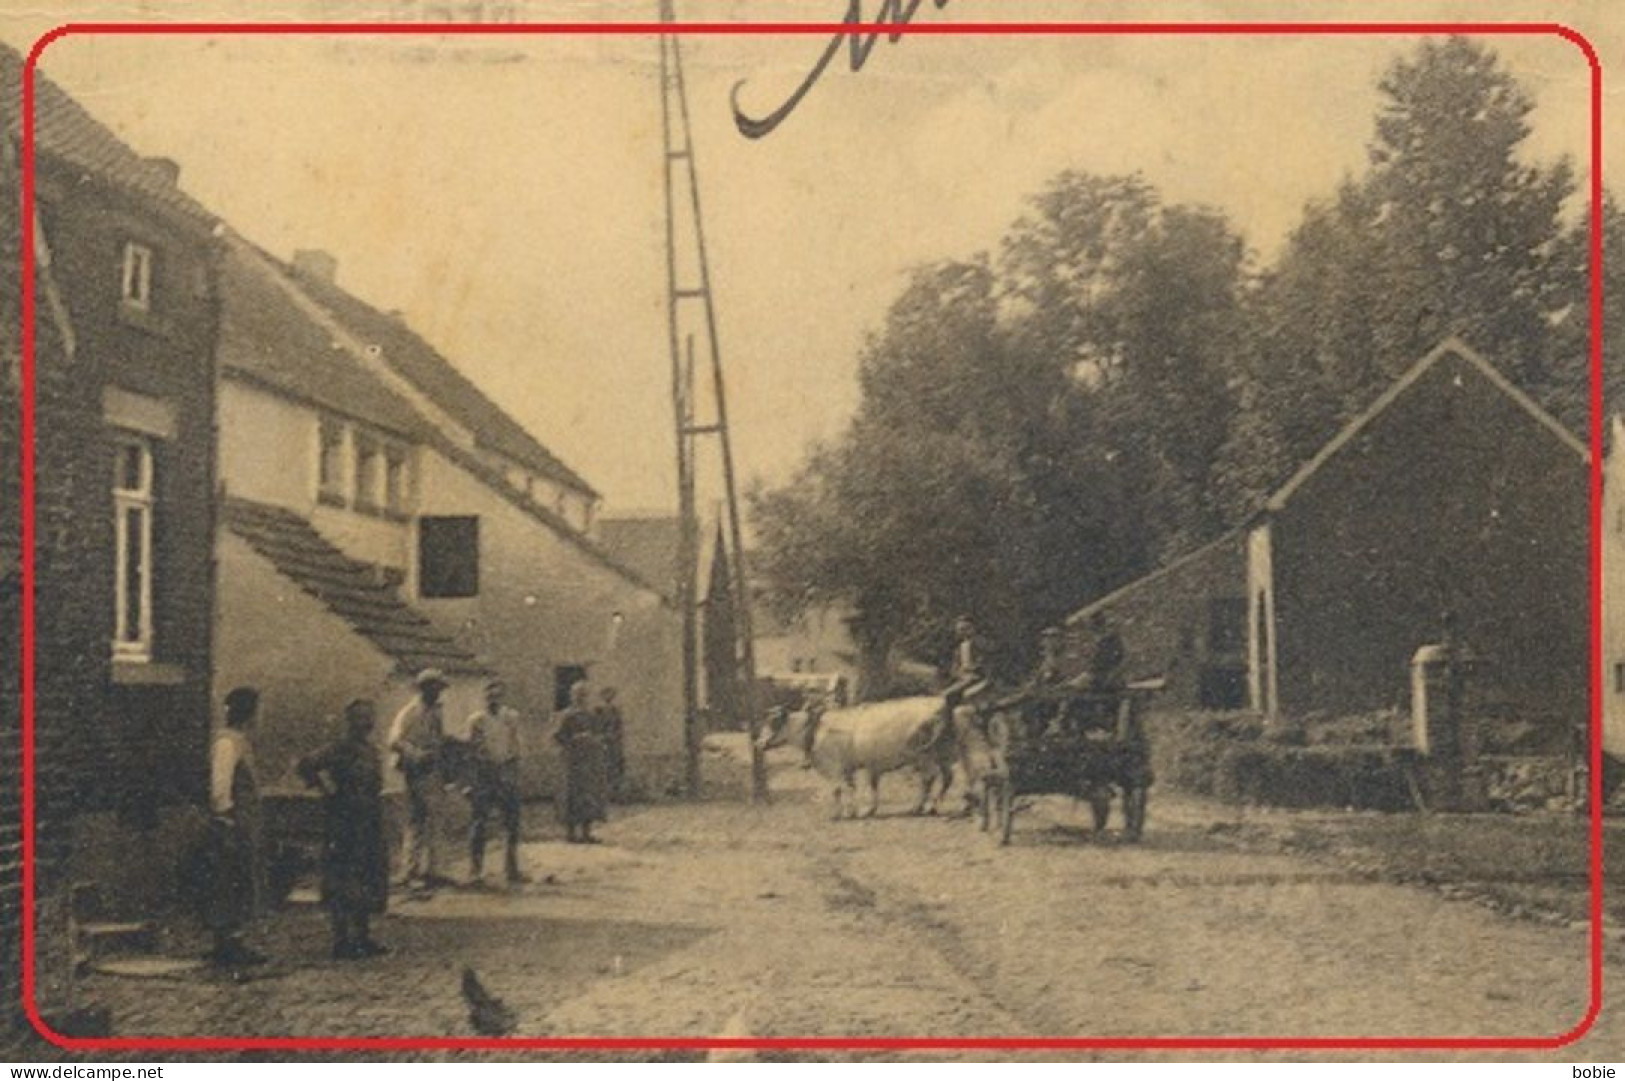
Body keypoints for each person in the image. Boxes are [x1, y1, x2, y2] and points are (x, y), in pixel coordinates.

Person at [298, 699, 390, 960]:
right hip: (344, 823)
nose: (366, 723)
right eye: (361, 718)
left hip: (368, 822)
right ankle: (341, 940)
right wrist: (327, 790)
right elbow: (306, 764)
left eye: (369, 718)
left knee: (366, 879)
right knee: (342, 880)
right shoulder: (338, 748)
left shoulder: (372, 751)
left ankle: (362, 937)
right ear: (350, 721)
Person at [203, 687, 267, 968]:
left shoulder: (240, 741)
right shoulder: (227, 743)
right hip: (233, 824)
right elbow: (220, 786)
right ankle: (227, 943)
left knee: (240, 882)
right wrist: (225, 817)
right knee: (230, 882)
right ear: (249, 713)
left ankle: (234, 941)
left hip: (244, 824)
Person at [390, 669, 450, 890]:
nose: (438, 692)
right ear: (424, 688)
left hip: (434, 771)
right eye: (434, 688)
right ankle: (409, 871)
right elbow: (394, 741)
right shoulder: (409, 712)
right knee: (415, 820)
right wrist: (416, 755)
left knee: (435, 819)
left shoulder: (436, 712)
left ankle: (433, 870)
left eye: (440, 688)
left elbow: (438, 739)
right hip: (416, 771)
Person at [468, 679, 528, 886]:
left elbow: (517, 746)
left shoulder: (511, 717)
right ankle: (475, 871)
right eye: (488, 696)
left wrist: (511, 769)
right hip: (485, 776)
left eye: (496, 696)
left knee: (511, 822)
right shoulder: (477, 720)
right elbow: (473, 750)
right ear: (484, 698)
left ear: (502, 697)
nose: (492, 700)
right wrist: (482, 771)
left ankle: (511, 869)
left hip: (506, 774)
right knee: (479, 822)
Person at [555, 680, 609, 844]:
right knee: (571, 794)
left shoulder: (592, 715)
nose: (581, 698)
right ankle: (570, 833)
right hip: (572, 761)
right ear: (572, 696)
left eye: (584, 695)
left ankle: (586, 832)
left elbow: (601, 734)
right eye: (578, 695)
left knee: (589, 794)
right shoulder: (566, 715)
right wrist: (574, 738)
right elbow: (557, 736)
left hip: (589, 761)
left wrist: (594, 739)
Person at [596, 687, 627, 803]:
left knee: (616, 769)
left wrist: (616, 736)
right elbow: (598, 727)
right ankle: (604, 795)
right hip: (604, 744)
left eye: (610, 695)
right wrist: (603, 736)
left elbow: (619, 727)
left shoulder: (616, 711)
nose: (608, 698)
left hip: (614, 745)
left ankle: (616, 795)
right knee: (604, 769)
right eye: (605, 695)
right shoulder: (598, 711)